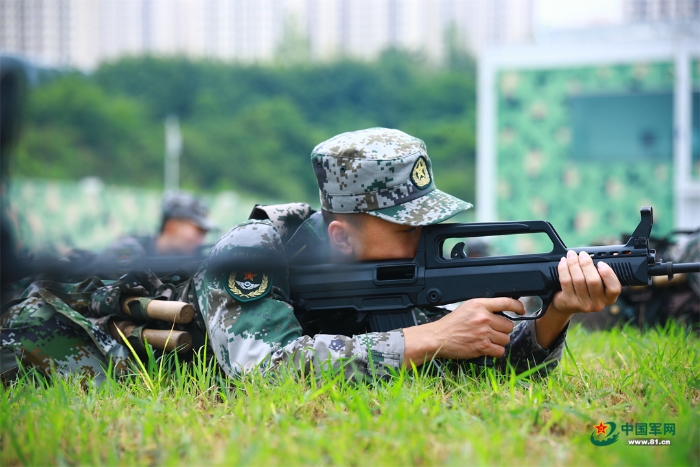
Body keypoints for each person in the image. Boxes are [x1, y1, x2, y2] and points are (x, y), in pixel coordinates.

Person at [0, 128, 621, 382]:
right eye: (405, 224)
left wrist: (554, 315)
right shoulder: (255, 252)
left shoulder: (396, 273)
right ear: (343, 234)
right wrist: (427, 339)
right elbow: (263, 370)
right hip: (62, 339)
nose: (424, 238)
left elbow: (484, 360)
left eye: (427, 219)